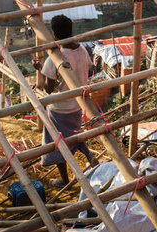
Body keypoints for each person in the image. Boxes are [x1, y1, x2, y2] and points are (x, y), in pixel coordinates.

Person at [33, 15, 98, 187]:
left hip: (59, 108)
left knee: (57, 142)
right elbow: (87, 68)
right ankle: (89, 156)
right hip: (78, 105)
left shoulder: (55, 57)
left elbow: (48, 88)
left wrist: (40, 70)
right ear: (71, 30)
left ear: (54, 34)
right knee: (75, 134)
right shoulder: (82, 50)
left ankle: (64, 179)